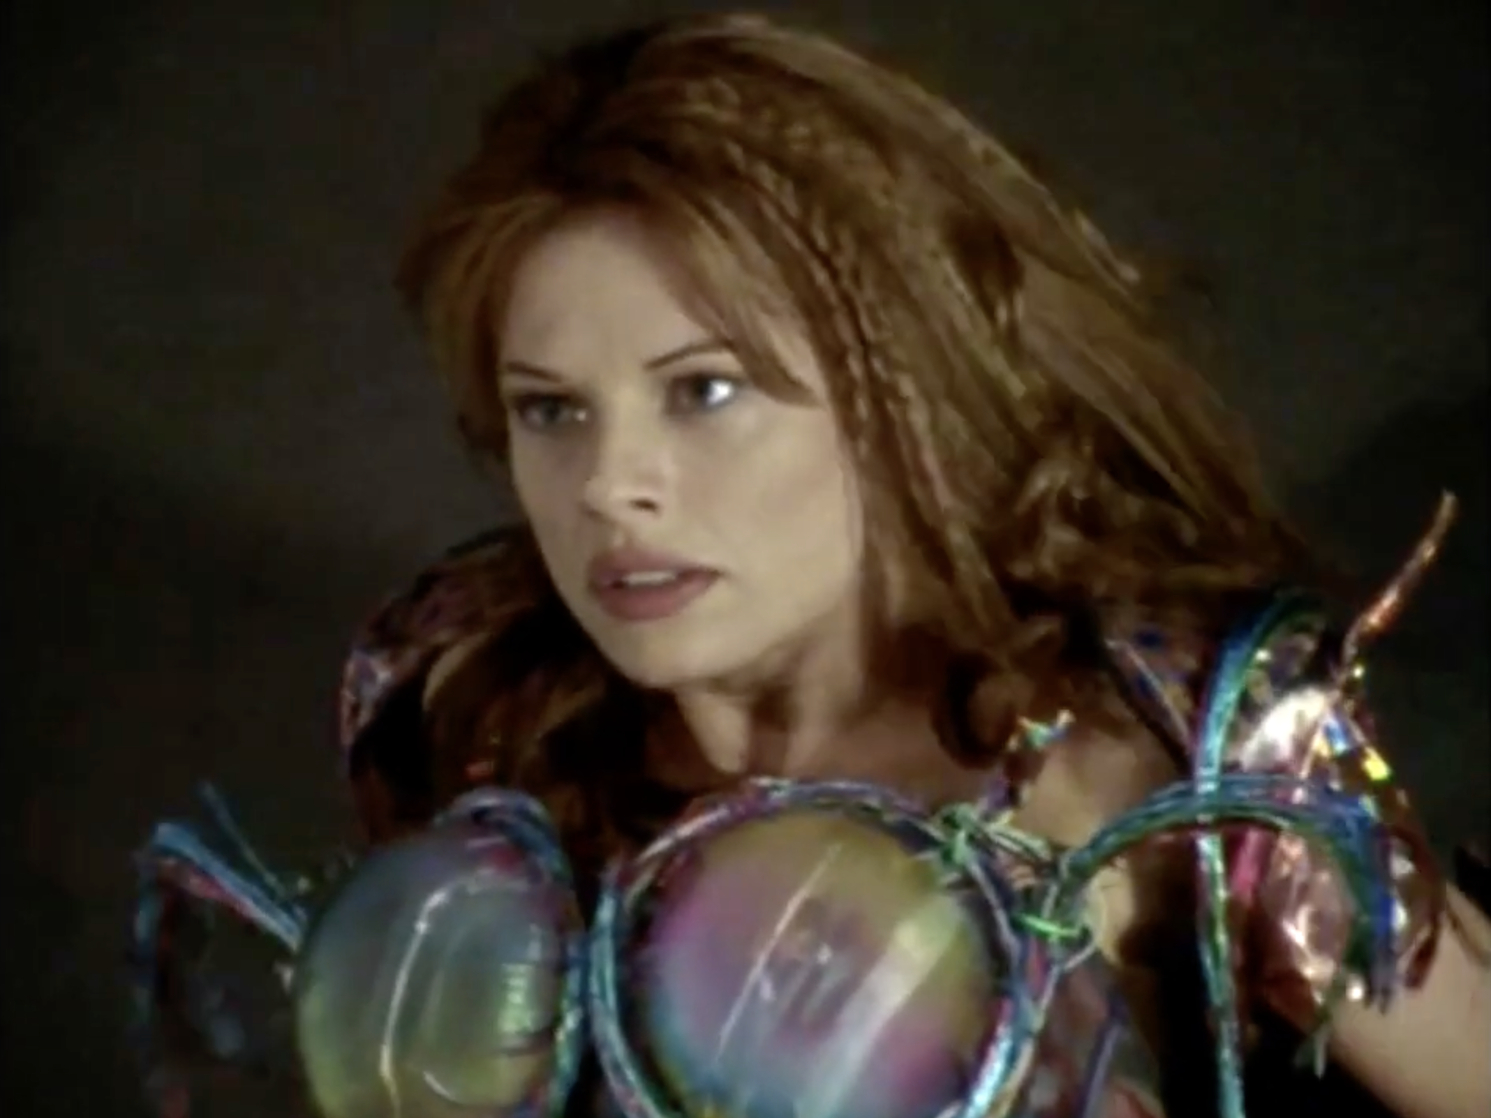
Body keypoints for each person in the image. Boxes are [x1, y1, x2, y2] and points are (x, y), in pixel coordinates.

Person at [278, 12, 1491, 1118]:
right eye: (552, 410)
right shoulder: (473, 701)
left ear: (898, 395)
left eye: (705, 391)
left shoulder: (1169, 752)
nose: (607, 483)